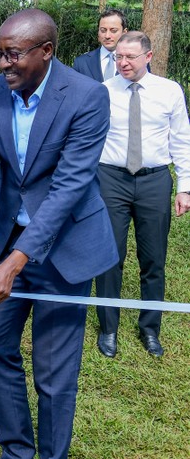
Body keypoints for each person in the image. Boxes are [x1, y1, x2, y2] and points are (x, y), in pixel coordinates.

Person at [0, 9, 118, 459]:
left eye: (14, 54)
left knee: (54, 371)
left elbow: (67, 189)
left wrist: (15, 262)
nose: (3, 64)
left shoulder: (87, 96)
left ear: (46, 52)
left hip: (65, 251)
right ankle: (17, 450)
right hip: (3, 245)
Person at [94, 31, 190, 358]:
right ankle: (108, 328)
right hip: (111, 180)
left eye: (130, 57)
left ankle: (150, 329)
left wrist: (185, 187)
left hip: (154, 181)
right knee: (110, 257)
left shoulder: (169, 91)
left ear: (148, 57)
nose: (123, 63)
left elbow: (182, 141)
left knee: (153, 259)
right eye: (119, 57)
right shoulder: (102, 92)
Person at [72, 9, 127, 82]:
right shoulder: (82, 63)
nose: (107, 36)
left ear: (124, 32)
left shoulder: (136, 61)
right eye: (103, 30)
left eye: (113, 31)